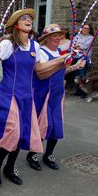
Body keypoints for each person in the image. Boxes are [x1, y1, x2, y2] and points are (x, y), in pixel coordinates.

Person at [0, 9, 69, 186]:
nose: (29, 20)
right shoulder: (7, 44)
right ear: (16, 24)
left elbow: (39, 70)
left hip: (27, 97)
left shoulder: (34, 46)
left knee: (21, 135)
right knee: (14, 132)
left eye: (30, 19)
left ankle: (9, 167)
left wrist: (60, 62)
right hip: (8, 95)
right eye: (24, 18)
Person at [26, 24, 86, 171]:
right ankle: (32, 155)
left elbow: (62, 72)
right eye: (55, 35)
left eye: (60, 35)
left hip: (57, 93)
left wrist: (75, 67)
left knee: (56, 124)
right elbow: (41, 74)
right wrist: (61, 62)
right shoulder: (41, 52)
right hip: (44, 93)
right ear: (46, 38)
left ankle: (49, 155)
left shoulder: (60, 52)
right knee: (42, 124)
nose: (58, 38)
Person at [72, 23, 94, 96]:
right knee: (77, 75)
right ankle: (78, 91)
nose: (85, 29)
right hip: (76, 57)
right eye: (84, 28)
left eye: (87, 28)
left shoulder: (91, 37)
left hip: (84, 58)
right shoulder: (77, 36)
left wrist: (78, 46)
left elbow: (86, 46)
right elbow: (73, 44)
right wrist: (77, 46)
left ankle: (84, 92)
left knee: (82, 75)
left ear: (89, 30)